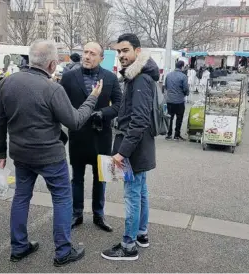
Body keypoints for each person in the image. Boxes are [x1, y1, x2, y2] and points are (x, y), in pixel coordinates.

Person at [0, 40, 103, 266]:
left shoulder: (7, 83)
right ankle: (63, 251)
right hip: (50, 156)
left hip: (21, 154)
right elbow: (74, 121)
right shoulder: (52, 89)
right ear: (52, 64)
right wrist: (92, 99)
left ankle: (19, 246)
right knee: (62, 199)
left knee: (21, 197)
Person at [101, 33, 158, 261]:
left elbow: (139, 120)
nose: (121, 55)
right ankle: (141, 234)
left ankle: (128, 246)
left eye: (125, 50)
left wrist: (122, 153)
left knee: (133, 195)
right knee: (141, 192)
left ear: (137, 51)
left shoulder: (141, 79)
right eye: (118, 51)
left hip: (133, 148)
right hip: (140, 147)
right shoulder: (136, 76)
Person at [60, 42, 122, 232]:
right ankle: (76, 213)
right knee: (76, 178)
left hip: (101, 136)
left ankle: (98, 214)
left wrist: (103, 113)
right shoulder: (69, 77)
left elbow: (119, 104)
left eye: (92, 53)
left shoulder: (110, 78)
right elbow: (60, 103)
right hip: (78, 135)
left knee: (101, 178)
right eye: (85, 52)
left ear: (101, 58)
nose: (87, 56)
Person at [164, 60, 189, 141]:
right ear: (182, 67)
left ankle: (169, 134)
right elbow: (185, 89)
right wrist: (186, 94)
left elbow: (166, 87)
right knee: (179, 118)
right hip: (179, 101)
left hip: (169, 100)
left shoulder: (168, 75)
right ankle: (176, 135)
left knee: (170, 117)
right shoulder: (183, 76)